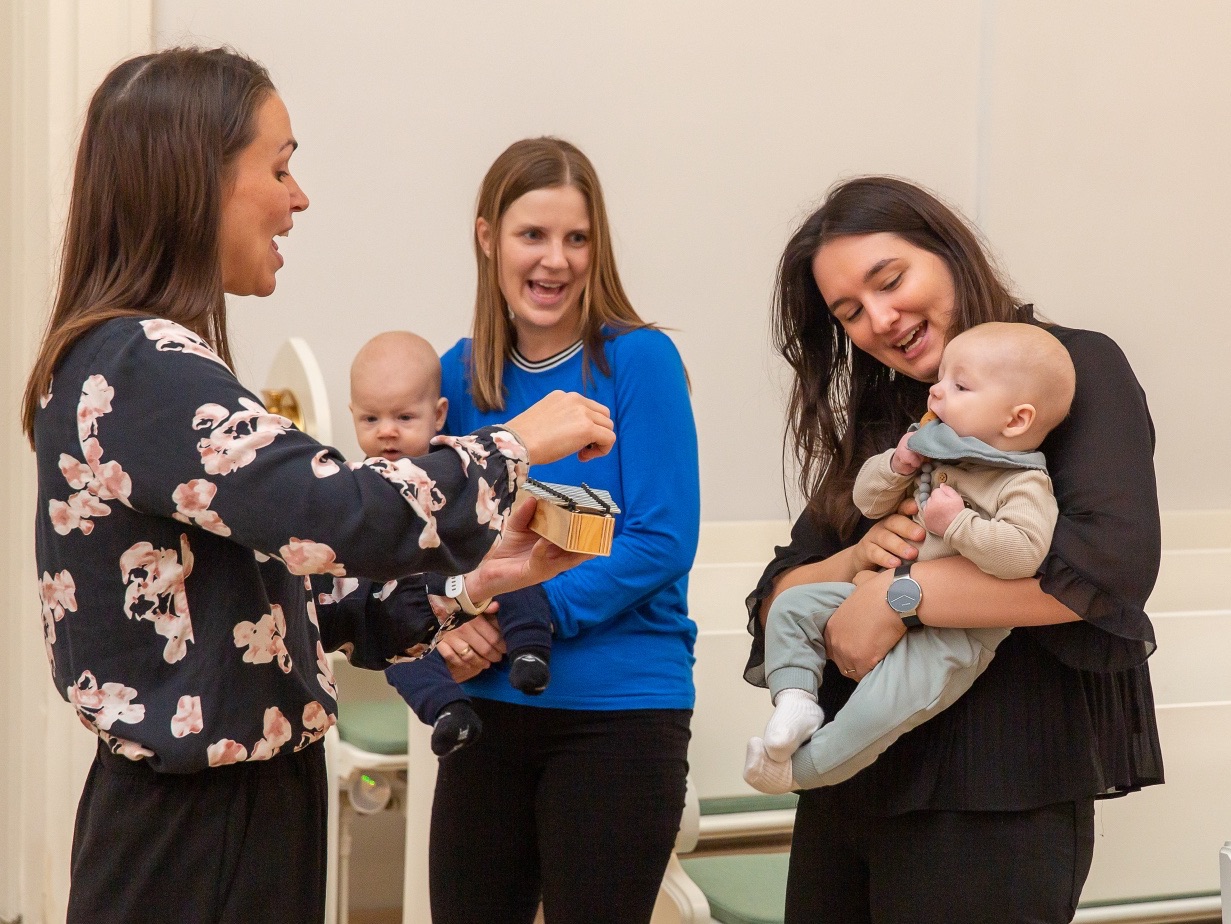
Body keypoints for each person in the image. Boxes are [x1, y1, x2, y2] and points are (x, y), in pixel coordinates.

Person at [22, 48, 615, 924]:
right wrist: (513, 445)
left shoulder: (146, 364)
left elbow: (283, 609)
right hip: (200, 832)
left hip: (229, 815)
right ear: (199, 178)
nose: (298, 198)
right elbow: (343, 514)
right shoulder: (140, 365)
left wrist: (475, 584)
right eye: (280, 166)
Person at [745, 176, 1162, 924]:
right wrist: (856, 561)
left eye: (890, 280)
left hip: (995, 795)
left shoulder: (1071, 367)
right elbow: (777, 590)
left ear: (948, 250)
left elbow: (1109, 569)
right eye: (850, 312)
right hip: (846, 788)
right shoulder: (890, 419)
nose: (879, 318)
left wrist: (901, 600)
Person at [427, 137, 700, 924]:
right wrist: (453, 623)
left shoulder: (638, 362)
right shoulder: (455, 375)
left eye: (576, 238)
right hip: (486, 709)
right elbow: (431, 540)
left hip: (618, 714)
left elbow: (660, 540)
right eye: (533, 235)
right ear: (488, 239)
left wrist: (524, 616)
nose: (556, 260)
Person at [745, 321, 1076, 794]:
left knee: (877, 712)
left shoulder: (1022, 483)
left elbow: (1022, 555)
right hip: (875, 593)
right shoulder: (938, 453)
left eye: (959, 386)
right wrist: (895, 465)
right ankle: (796, 698)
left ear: (1016, 420)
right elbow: (868, 503)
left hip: (952, 635)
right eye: (940, 379)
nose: (937, 393)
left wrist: (956, 524)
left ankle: (799, 771)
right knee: (792, 607)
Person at [322, 330, 555, 757]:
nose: (386, 432)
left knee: (518, 580)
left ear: (439, 413)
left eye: (404, 418)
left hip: (475, 579)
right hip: (406, 607)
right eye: (370, 419)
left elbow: (490, 520)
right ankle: (450, 712)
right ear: (352, 414)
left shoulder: (455, 469)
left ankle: (530, 654)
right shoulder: (355, 486)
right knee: (402, 657)